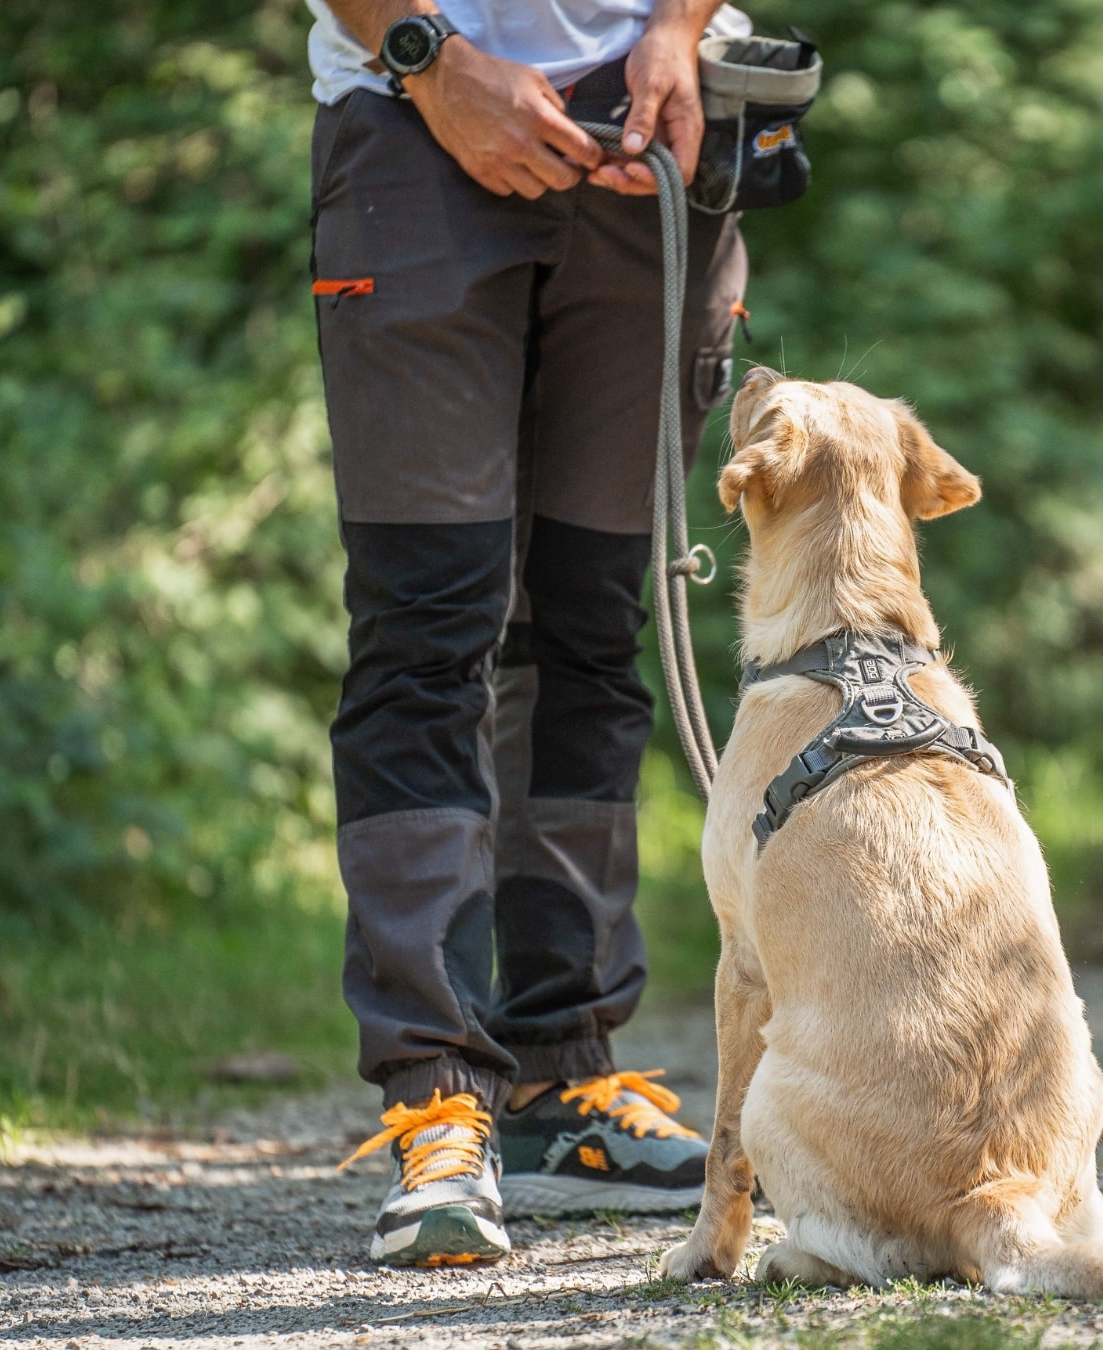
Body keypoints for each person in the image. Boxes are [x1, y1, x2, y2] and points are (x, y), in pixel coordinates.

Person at [304, 0, 748, 1268]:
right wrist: (428, 61)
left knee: (593, 622)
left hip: (653, 129)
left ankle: (564, 1080)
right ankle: (440, 1102)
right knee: (428, 625)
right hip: (409, 130)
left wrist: (676, 29)